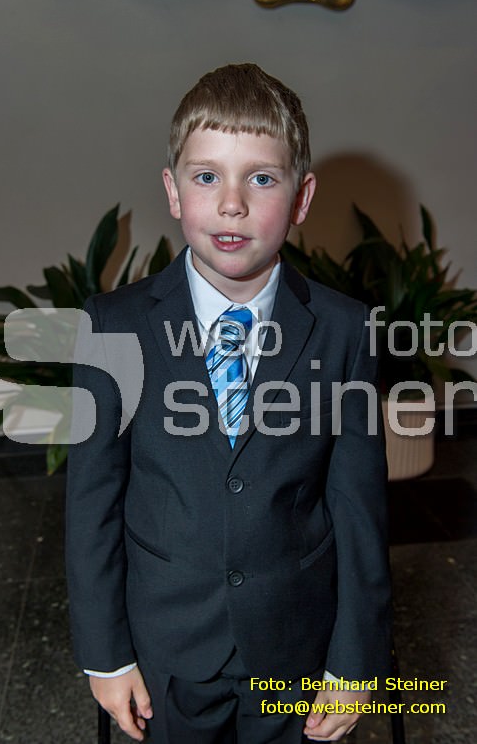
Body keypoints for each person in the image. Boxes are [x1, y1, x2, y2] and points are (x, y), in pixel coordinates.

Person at [66, 63, 391, 743]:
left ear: (301, 198)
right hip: (164, 651)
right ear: (172, 191)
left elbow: (358, 509)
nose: (232, 204)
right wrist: (106, 654)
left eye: (261, 179)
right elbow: (93, 500)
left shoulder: (345, 330)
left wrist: (354, 662)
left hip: (296, 649)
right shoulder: (113, 325)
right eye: (207, 176)